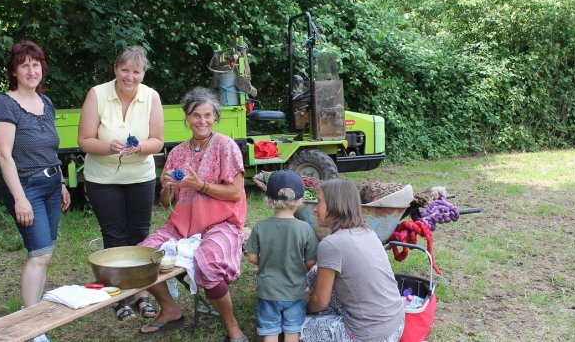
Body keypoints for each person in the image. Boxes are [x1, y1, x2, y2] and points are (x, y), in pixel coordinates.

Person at [137, 87, 249, 342]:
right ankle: (170, 310)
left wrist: (200, 186)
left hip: (221, 224)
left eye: (208, 115)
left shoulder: (225, 146)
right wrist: (167, 187)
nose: (202, 121)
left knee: (208, 262)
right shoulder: (177, 152)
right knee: (142, 258)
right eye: (196, 115)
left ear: (215, 118)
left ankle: (232, 327)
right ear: (186, 117)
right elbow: (166, 203)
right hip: (181, 226)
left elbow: (234, 193)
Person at [0, 39, 71, 342]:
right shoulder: (4, 105)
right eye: (24, 65)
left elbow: (50, 150)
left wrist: (60, 182)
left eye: (35, 64)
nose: (31, 70)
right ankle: (30, 325)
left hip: (50, 184)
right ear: (14, 70)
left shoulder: (45, 103)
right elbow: (3, 155)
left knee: (45, 252)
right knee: (39, 254)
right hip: (26, 186)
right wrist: (20, 198)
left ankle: (32, 312)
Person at [77, 45, 164, 321]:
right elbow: (84, 141)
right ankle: (119, 297)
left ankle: (141, 294)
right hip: (103, 178)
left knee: (140, 236)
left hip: (140, 176)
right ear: (115, 69)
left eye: (136, 71)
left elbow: (158, 141)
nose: (130, 76)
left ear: (143, 72)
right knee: (114, 237)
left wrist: (139, 148)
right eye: (124, 70)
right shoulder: (97, 94)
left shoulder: (152, 96)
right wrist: (108, 147)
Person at [303, 179, 405, 342]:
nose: (315, 209)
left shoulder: (331, 244)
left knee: (296, 327)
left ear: (335, 205)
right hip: (397, 323)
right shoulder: (367, 231)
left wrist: (303, 309)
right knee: (315, 273)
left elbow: (321, 302)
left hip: (369, 335)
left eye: (319, 202)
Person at [245, 170, 319, 342]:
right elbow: (311, 261)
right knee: (292, 332)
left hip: (267, 290)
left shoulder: (260, 226)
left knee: (270, 331)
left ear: (269, 198)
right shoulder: (305, 228)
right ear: (300, 200)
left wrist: (267, 262)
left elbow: (251, 257)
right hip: (294, 291)